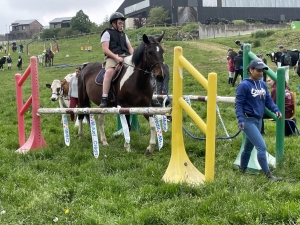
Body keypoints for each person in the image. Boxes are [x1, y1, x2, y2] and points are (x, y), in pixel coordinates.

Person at [235, 59, 282, 181]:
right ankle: (268, 176)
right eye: (258, 70)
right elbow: (238, 104)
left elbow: (268, 100)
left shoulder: (262, 84)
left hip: (258, 120)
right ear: (251, 70)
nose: (261, 73)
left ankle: (242, 170)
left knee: (248, 148)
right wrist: (240, 120)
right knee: (262, 147)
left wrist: (275, 109)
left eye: (262, 70)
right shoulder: (244, 85)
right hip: (248, 120)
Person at [99, 12, 134, 108]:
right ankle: (104, 97)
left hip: (126, 57)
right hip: (112, 57)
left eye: (122, 23)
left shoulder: (124, 35)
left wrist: (135, 56)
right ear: (113, 23)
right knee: (109, 71)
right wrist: (116, 57)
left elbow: (130, 48)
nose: (121, 25)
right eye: (119, 23)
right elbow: (105, 48)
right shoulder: (107, 33)